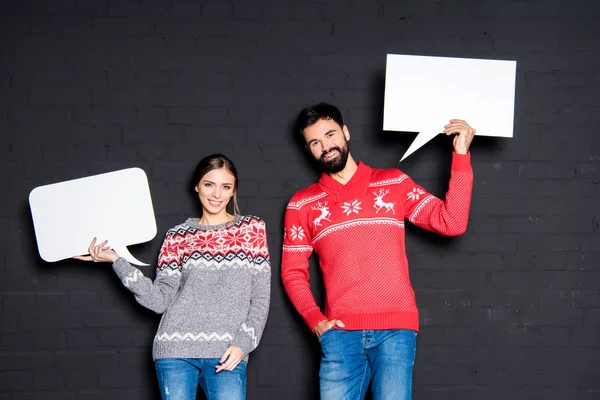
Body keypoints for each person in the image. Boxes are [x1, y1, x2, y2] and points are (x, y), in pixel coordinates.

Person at [281, 103, 475, 400]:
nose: (325, 146)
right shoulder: (301, 205)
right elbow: (293, 273)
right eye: (315, 142)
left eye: (330, 135)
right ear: (309, 150)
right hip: (339, 336)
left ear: (345, 132)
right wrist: (316, 321)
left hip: (395, 331)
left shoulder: (393, 183)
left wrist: (460, 155)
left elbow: (452, 222)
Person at [75, 154, 271, 400]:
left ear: (233, 191)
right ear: (197, 185)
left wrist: (243, 344)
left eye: (226, 187)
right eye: (209, 184)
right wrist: (117, 261)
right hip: (174, 350)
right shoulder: (177, 236)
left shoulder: (251, 229)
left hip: (227, 350)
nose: (217, 194)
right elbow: (159, 300)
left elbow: (261, 297)